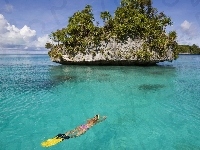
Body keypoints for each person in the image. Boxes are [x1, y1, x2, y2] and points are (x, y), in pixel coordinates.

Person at [41, 114, 107, 147]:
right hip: (82, 127)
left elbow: (99, 121)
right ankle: (63, 136)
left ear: (96, 119)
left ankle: (63, 137)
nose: (95, 117)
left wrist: (103, 118)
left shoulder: (93, 121)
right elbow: (88, 121)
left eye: (96, 117)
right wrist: (101, 117)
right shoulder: (92, 120)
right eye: (95, 116)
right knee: (71, 133)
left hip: (83, 128)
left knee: (74, 134)